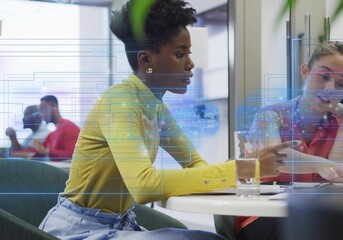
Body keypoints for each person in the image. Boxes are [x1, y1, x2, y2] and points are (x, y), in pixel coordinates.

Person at [39, 0, 294, 239]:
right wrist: (243, 169)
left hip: (120, 224)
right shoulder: (119, 102)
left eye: (189, 53)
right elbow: (143, 186)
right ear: (146, 60)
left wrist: (245, 173)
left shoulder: (156, 108)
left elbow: (195, 164)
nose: (191, 64)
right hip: (77, 230)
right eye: (180, 54)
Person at [235, 41, 343, 240]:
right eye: (323, 76)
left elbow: (337, 174)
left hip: (312, 215)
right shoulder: (270, 115)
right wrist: (321, 164)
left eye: (340, 84)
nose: (330, 88)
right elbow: (277, 159)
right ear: (305, 72)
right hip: (263, 215)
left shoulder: (340, 122)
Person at [31, 95, 80, 161]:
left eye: (43, 110)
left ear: (54, 107)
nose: (41, 114)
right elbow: (37, 153)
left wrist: (48, 152)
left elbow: (74, 154)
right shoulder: (52, 135)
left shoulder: (69, 127)